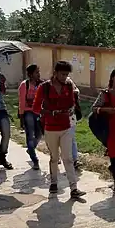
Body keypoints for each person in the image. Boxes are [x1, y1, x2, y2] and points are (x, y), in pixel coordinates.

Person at [33, 61, 85, 199]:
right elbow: (36, 108)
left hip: (66, 126)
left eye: (67, 75)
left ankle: (74, 188)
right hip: (50, 127)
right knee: (54, 157)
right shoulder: (44, 87)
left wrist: (71, 109)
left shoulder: (68, 86)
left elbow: (72, 103)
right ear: (55, 73)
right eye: (62, 74)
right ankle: (54, 183)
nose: (65, 77)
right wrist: (49, 113)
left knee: (68, 158)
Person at [18, 64, 42, 170]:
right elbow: (22, 102)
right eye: (36, 72)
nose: (38, 74)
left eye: (39, 72)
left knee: (39, 134)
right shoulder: (24, 85)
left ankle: (30, 148)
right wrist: (21, 117)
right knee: (30, 135)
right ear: (31, 74)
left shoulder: (41, 85)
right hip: (28, 112)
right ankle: (35, 160)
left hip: (39, 112)